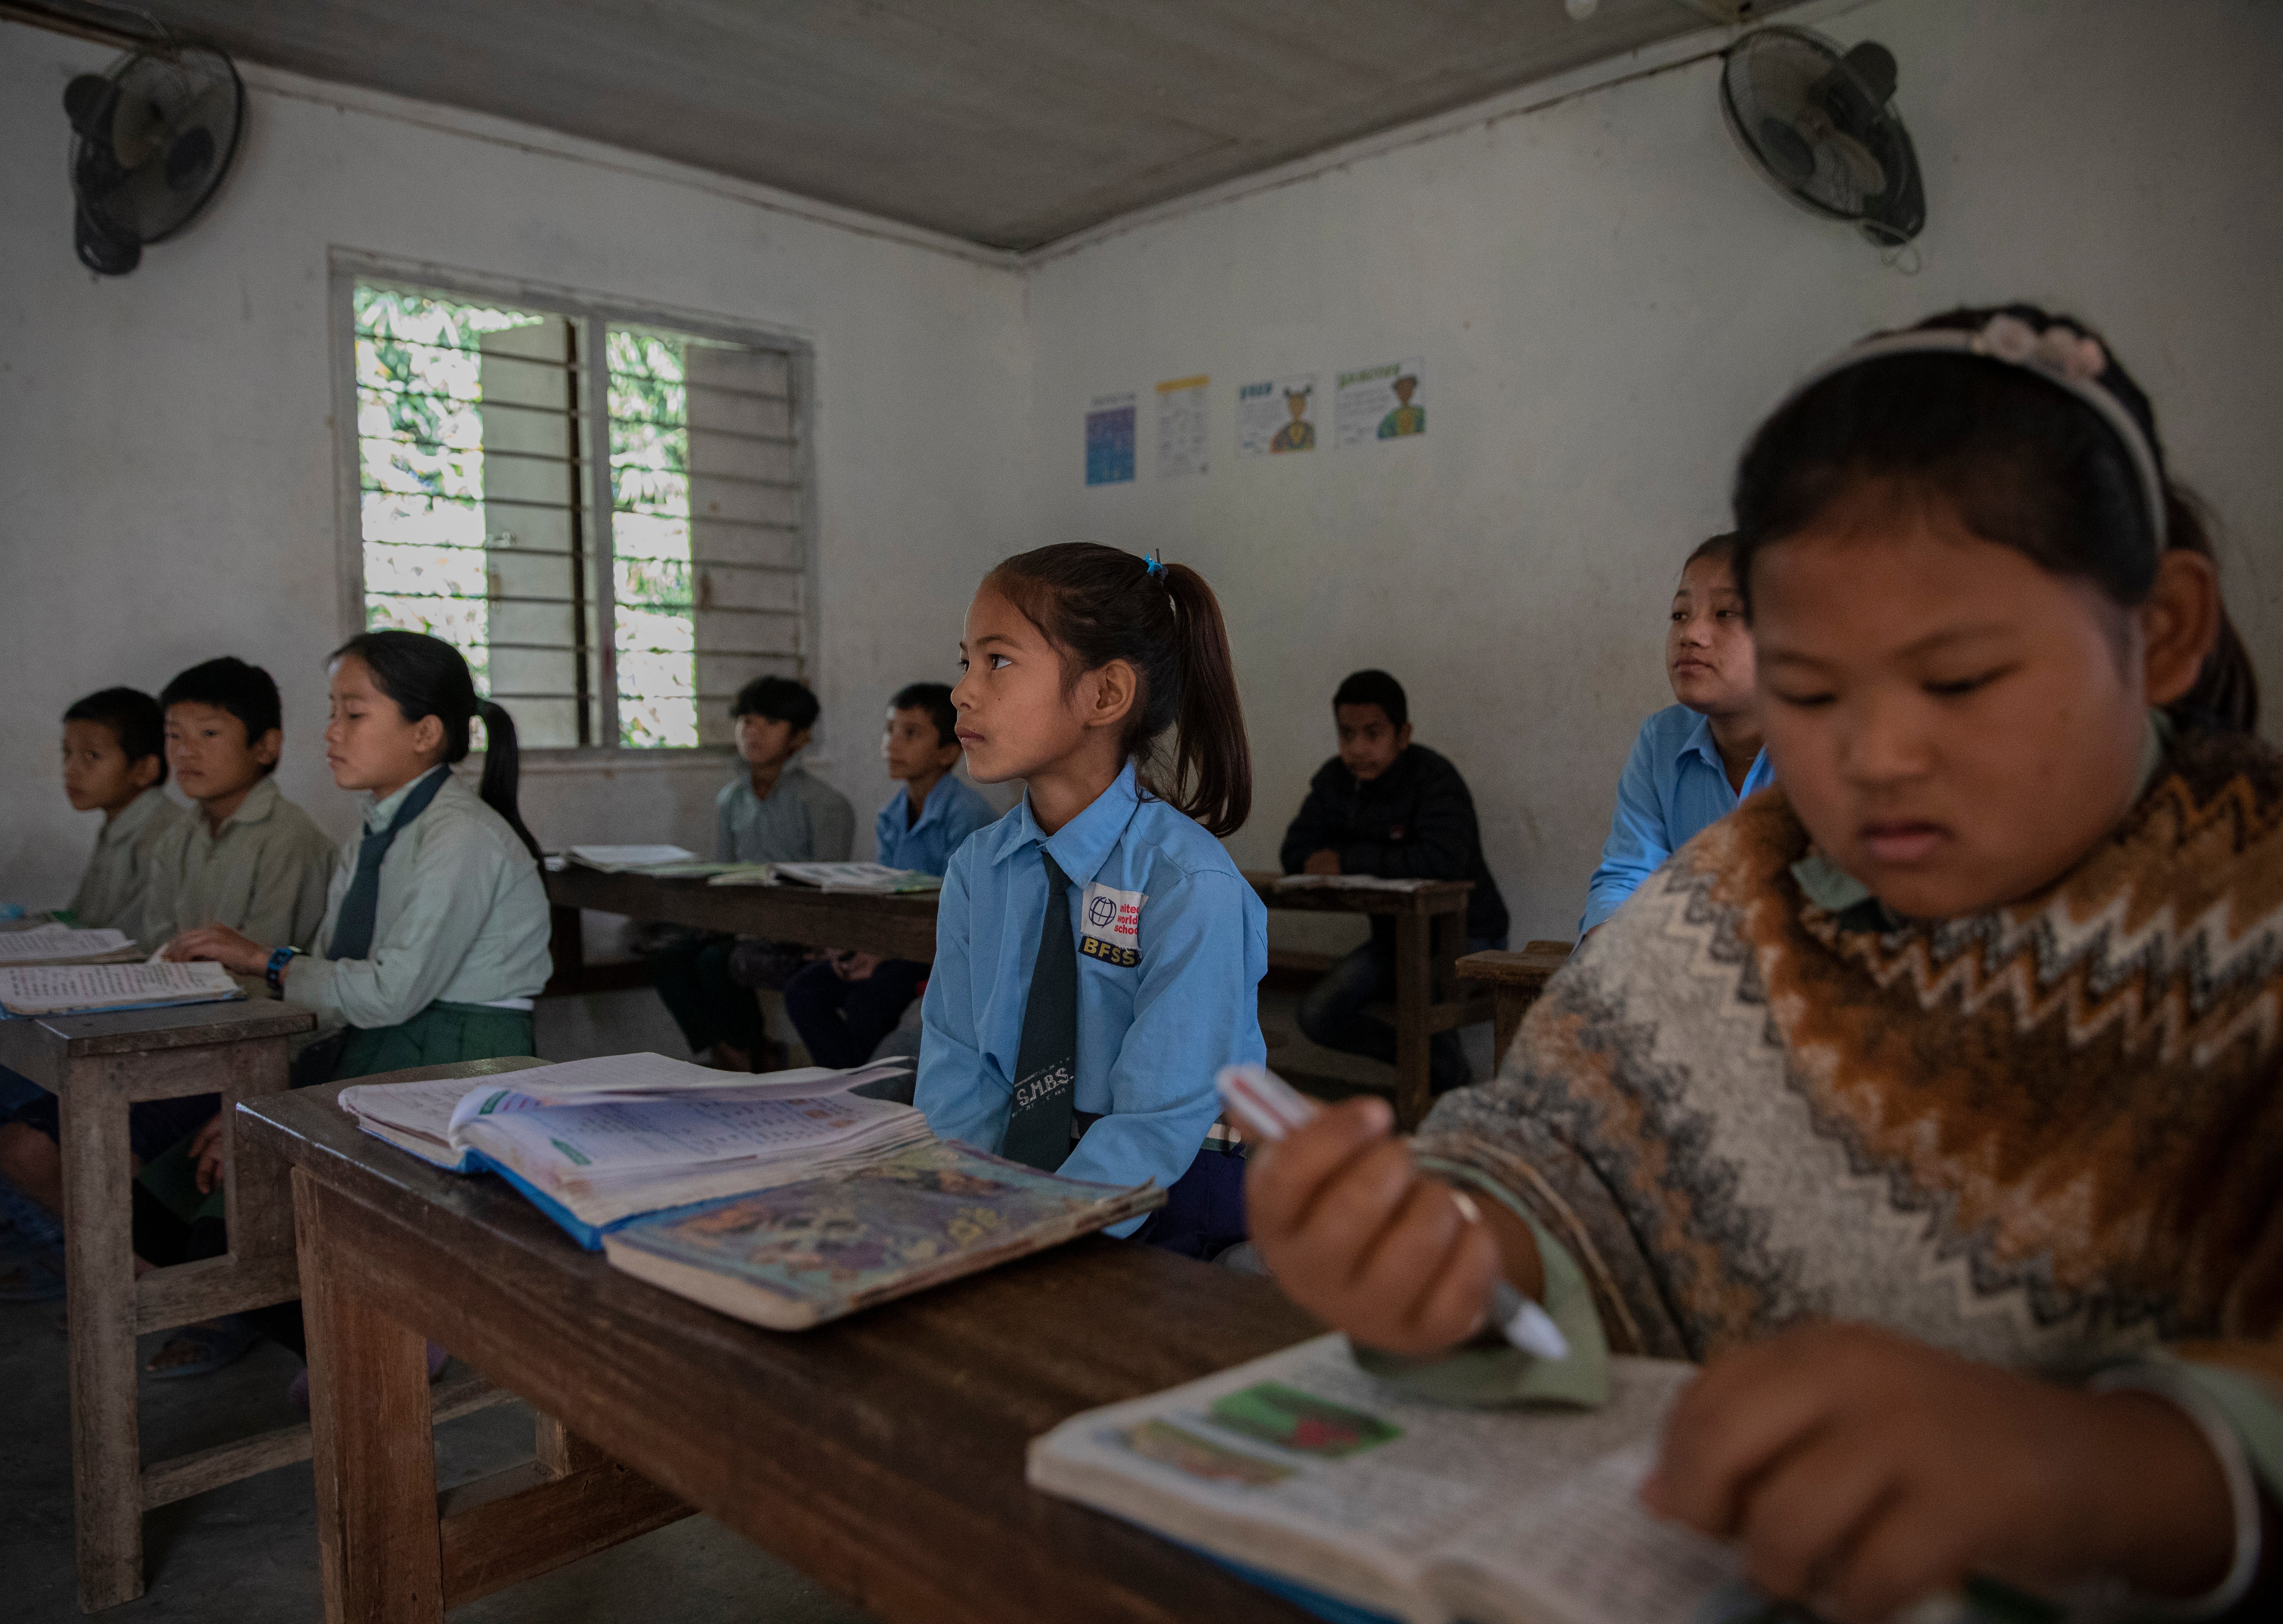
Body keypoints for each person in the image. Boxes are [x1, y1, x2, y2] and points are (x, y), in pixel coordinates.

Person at [1248, 307, 2280, 1619]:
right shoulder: (1740, 892)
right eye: (1807, 687)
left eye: (1957, 679)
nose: (1873, 757)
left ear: (2167, 629)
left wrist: (2104, 1467)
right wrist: (1458, 1247)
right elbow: (1564, 1161)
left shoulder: (2251, 918)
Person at [158, 629, 553, 1384]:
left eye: (353, 713)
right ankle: (374, 1329)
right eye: (331, 712)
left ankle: (399, 1332)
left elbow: (383, 990)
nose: (330, 733)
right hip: (381, 1045)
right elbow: (339, 988)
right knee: (186, 1199)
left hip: (464, 1057)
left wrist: (262, 958)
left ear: (424, 732)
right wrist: (255, 1102)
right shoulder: (372, 833)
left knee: (247, 1216)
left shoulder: (460, 836)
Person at [917, 544, 1265, 1260]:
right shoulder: (977, 870)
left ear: (1104, 695)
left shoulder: (1187, 883)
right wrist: (964, 1207)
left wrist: (1032, 1233)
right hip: (1023, 1184)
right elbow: (958, 1073)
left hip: (1176, 1187)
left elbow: (1158, 1120)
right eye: (965, 662)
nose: (962, 691)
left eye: (997, 661)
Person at [0, 658, 335, 1304]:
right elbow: (150, 952)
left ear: (266, 747)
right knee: (29, 1142)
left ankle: (191, 1306)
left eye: (208, 735)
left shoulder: (288, 840)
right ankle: (139, 1290)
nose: (185, 753)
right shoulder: (180, 837)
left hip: (242, 1047)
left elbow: (266, 987)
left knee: (80, 1149)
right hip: (173, 1033)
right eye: (175, 735)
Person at [1280, 670, 1509, 1096]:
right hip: (1397, 943)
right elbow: (1296, 852)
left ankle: (1438, 1088)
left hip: (1470, 935)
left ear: (1403, 735)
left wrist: (1345, 859)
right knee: (1317, 1014)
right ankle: (1439, 1070)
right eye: (1346, 735)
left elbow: (1440, 861)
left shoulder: (1435, 779)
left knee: (1420, 988)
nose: (1357, 749)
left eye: (1373, 733)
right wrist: (1319, 860)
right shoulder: (1336, 781)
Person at [783, 683, 993, 1071]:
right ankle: (853, 1087)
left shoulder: (968, 816)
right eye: (890, 729)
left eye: (910, 733)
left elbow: (961, 912)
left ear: (948, 752)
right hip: (897, 946)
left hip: (940, 953)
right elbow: (884, 894)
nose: (892, 743)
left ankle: (869, 1099)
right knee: (805, 991)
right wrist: (862, 947)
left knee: (869, 1001)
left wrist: (882, 954)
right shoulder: (891, 814)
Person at [650, 675, 855, 1071]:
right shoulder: (730, 800)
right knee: (669, 960)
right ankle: (738, 1051)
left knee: (716, 962)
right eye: (746, 721)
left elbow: (833, 887)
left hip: (796, 931)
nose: (753, 732)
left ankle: (743, 1057)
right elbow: (724, 873)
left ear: (800, 737)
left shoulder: (825, 804)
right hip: (740, 922)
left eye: (770, 723)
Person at [1578, 534, 1773, 936]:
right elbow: (1628, 879)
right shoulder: (1661, 741)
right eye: (1680, 615)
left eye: (1725, 613)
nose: (1691, 634)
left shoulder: (1835, 751)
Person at [58, 685, 185, 941]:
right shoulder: (117, 825)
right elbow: (82, 919)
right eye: (68, 753)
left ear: (144, 770)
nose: (71, 769)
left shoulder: (165, 836)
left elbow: (131, 944)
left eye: (92, 756)